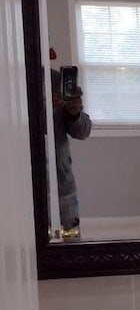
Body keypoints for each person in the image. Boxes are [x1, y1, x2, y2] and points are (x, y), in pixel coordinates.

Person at [51, 67, 92, 236]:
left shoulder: (55, 80)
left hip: (62, 187)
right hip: (20, 188)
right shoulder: (10, 83)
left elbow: (83, 132)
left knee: (70, 248)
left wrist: (75, 114)